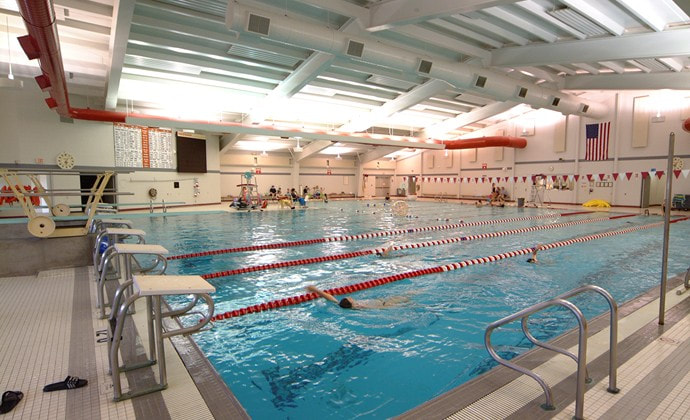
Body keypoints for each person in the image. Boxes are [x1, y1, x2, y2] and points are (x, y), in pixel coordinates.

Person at [306, 285, 410, 309]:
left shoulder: (341, 304)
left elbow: (330, 298)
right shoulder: (357, 306)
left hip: (383, 302)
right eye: (350, 298)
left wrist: (316, 290)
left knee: (407, 296)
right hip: (385, 304)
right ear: (352, 303)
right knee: (409, 296)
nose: (350, 297)